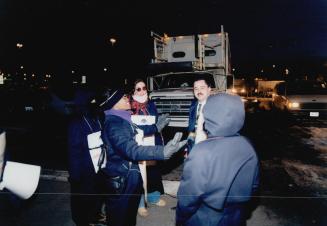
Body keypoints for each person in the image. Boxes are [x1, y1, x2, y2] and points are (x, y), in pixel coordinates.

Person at [98, 88, 187, 226]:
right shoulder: (114, 124)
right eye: (123, 97)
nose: (128, 98)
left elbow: (139, 129)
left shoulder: (122, 117)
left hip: (128, 176)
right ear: (114, 103)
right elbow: (131, 150)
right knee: (119, 218)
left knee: (128, 216)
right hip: (121, 181)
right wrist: (161, 152)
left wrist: (156, 127)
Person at [176, 93, 260, 226]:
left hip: (205, 218)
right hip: (236, 217)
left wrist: (181, 219)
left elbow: (189, 197)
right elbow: (254, 186)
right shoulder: (248, 146)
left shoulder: (202, 151)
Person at [130, 79, 169, 217]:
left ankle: (153, 197)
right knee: (139, 174)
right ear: (133, 91)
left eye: (144, 88)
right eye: (138, 89)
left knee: (152, 171)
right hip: (138, 144)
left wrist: (159, 124)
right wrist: (154, 127)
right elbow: (134, 128)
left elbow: (156, 121)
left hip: (152, 141)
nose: (142, 91)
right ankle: (140, 203)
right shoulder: (129, 107)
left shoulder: (151, 104)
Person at [67, 87, 106, 226]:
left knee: (97, 194)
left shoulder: (96, 116)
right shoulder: (76, 122)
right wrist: (75, 175)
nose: (95, 103)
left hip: (97, 165)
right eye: (92, 100)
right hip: (83, 170)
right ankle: (83, 221)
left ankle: (95, 216)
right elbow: (74, 151)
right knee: (83, 198)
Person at [186, 77, 212, 155]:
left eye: (202, 88)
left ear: (209, 89)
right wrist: (188, 149)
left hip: (209, 148)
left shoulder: (215, 106)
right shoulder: (193, 106)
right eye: (196, 88)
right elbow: (192, 129)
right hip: (195, 148)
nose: (199, 91)